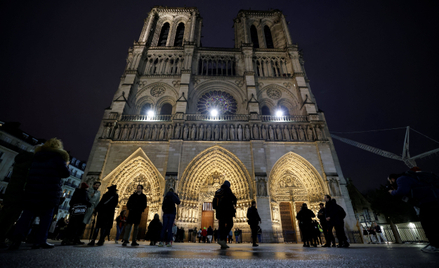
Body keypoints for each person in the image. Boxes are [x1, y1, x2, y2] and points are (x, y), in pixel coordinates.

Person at [9, 138, 70, 250]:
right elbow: (65, 173)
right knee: (46, 217)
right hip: (49, 191)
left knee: (27, 215)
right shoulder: (58, 157)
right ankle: (40, 241)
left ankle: (16, 240)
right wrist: (66, 165)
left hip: (33, 189)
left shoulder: (36, 157)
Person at [388, 172, 439, 253]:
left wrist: (392, 192)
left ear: (392, 179)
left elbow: (401, 191)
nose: (390, 183)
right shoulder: (412, 178)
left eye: (390, 181)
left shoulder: (401, 179)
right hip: (433, 198)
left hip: (427, 201)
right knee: (434, 221)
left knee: (428, 223)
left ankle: (435, 245)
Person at [0, 151, 34, 248]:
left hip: (11, 190)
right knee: (11, 217)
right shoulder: (30, 163)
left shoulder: (20, 161)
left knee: (5, 213)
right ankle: (1, 237)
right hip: (19, 193)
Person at [213, 180, 237, 249]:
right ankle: (222, 239)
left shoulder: (218, 191)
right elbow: (234, 198)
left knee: (221, 226)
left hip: (219, 212)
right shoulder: (227, 190)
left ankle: (222, 242)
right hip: (227, 212)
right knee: (230, 224)